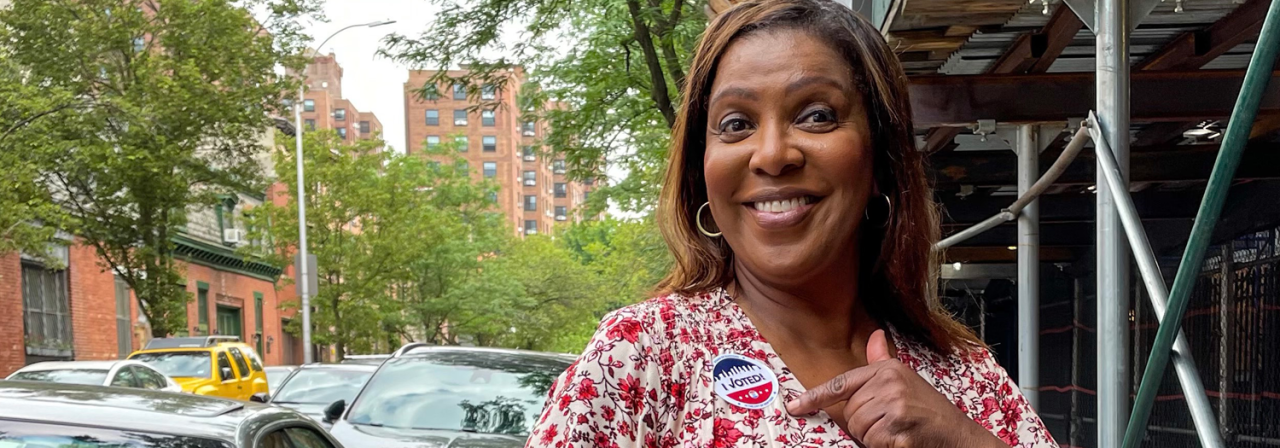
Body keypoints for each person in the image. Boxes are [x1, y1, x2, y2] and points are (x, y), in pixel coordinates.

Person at [527, 0, 1058, 446]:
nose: (773, 154)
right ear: (703, 173)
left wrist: (964, 441)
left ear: (880, 159)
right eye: (736, 124)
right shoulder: (644, 355)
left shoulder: (965, 375)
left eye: (816, 115)